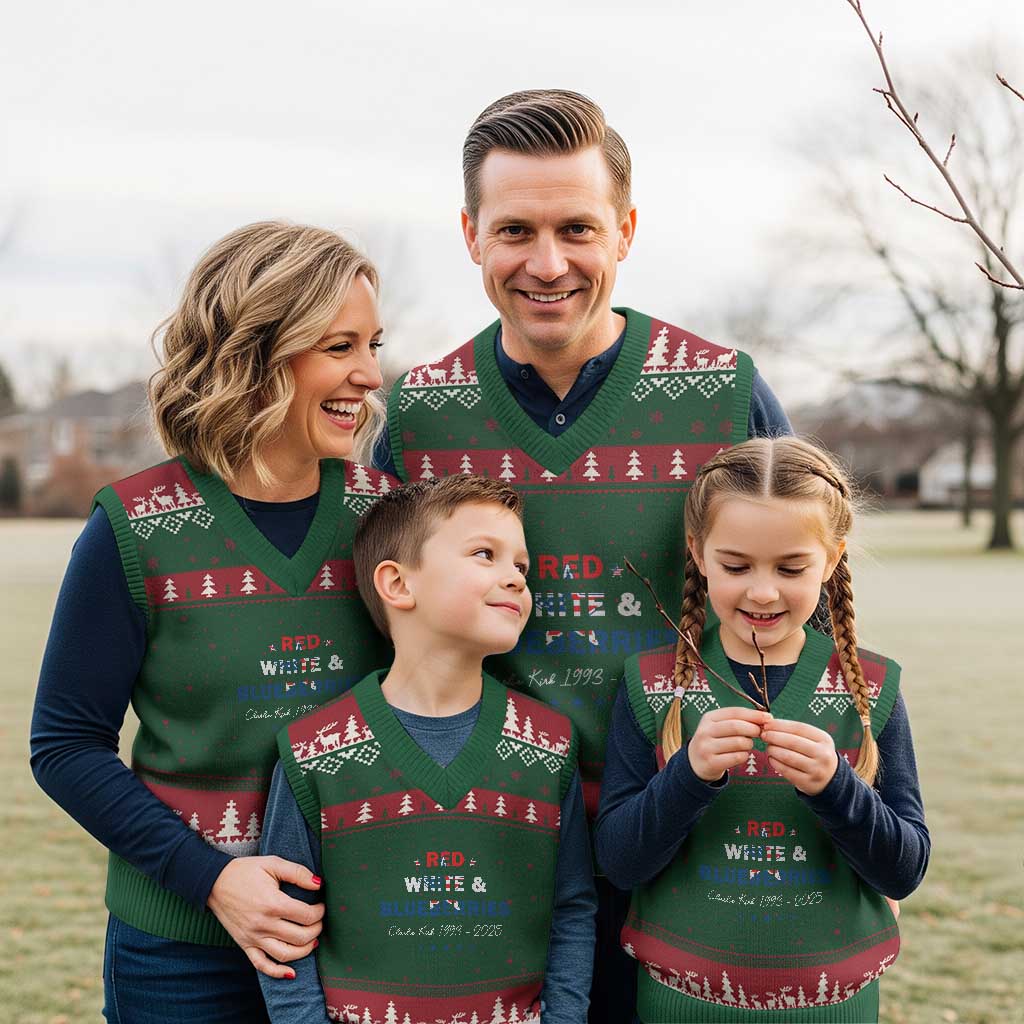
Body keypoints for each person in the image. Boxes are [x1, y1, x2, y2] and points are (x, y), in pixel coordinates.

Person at [373, 88, 793, 1022]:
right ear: (471, 235)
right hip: (500, 847)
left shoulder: (723, 394)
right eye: (514, 230)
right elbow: (383, 636)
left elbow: (812, 609)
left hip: (698, 829)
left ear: (626, 230)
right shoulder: (420, 416)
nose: (547, 263)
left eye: (577, 228)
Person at [30, 221, 400, 1023]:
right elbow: (64, 746)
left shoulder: (389, 522)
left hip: (359, 942)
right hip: (177, 955)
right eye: (340, 346)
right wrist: (214, 880)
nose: (371, 375)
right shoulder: (132, 529)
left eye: (373, 345)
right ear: (257, 353)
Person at [594, 437, 930, 1023]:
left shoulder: (870, 689)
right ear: (698, 553)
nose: (763, 591)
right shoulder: (652, 685)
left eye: (791, 567)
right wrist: (688, 776)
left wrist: (837, 787)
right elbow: (620, 863)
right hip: (679, 1008)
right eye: (736, 565)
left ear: (832, 560)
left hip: (834, 1010)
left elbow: (903, 870)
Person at [257, 474, 596, 1024]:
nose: (515, 577)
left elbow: (571, 907)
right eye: (485, 554)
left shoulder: (550, 744)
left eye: (522, 566)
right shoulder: (312, 751)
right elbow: (286, 928)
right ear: (397, 584)